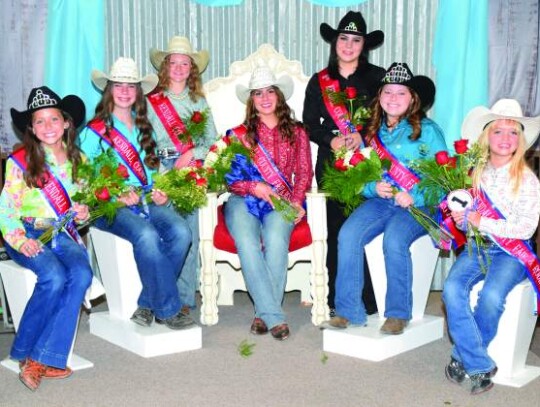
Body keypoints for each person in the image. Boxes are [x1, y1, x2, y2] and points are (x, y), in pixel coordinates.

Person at [326, 62, 447, 334]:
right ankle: (348, 310)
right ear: (379, 97)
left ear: (413, 98)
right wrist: (372, 188)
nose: (393, 98)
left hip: (420, 206)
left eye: (401, 93)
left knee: (394, 238)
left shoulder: (429, 130)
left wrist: (414, 195)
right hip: (382, 202)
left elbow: (443, 181)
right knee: (347, 234)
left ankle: (397, 314)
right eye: (388, 92)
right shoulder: (371, 132)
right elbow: (359, 177)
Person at [79, 57, 194, 330]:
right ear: (108, 89)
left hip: (143, 201)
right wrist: (116, 195)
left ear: (138, 92)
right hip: (107, 206)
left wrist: (160, 192)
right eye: (119, 84)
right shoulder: (94, 132)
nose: (125, 91)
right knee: (147, 234)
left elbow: (152, 174)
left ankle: (147, 303)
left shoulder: (144, 127)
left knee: (181, 231)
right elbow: (83, 181)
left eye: (131, 86)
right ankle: (167, 309)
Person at [442, 99, 540, 395]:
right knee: (451, 289)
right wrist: (462, 221)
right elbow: (467, 224)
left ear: (520, 141)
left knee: (493, 296)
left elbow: (525, 228)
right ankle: (479, 363)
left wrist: (481, 221)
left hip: (512, 251)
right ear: (486, 136)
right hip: (478, 246)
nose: (505, 139)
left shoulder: (527, 180)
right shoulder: (474, 174)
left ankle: (463, 357)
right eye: (498, 131)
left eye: (513, 133)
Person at [0, 87, 92, 391]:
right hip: (27, 231)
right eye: (40, 122)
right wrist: (18, 239)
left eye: (54, 119)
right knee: (52, 276)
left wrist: (83, 212)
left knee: (81, 273)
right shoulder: (19, 162)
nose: (48, 127)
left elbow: (85, 205)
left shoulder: (80, 160)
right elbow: (6, 210)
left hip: (61, 232)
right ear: (31, 128)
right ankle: (27, 353)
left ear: (66, 122)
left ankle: (44, 357)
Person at [303, 11, 385, 316]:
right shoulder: (319, 81)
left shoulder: (379, 78)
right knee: (336, 230)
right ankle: (339, 299)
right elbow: (309, 124)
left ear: (364, 45)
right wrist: (332, 140)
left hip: (368, 163)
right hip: (332, 164)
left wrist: (362, 136)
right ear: (335, 42)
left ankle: (372, 298)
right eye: (344, 39)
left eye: (355, 40)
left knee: (367, 228)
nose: (349, 45)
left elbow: (389, 116)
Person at [223, 65, 313, 340]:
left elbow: (304, 172)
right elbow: (229, 178)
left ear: (279, 96)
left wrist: (297, 201)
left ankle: (264, 314)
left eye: (269, 91)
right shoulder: (237, 134)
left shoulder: (297, 132)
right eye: (257, 93)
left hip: (282, 200)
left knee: (275, 239)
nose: (264, 97)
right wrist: (255, 186)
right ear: (251, 100)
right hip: (242, 199)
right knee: (247, 242)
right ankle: (274, 316)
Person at [148, 36, 218, 314]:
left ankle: (185, 299)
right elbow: (143, 141)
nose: (178, 67)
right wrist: (158, 172)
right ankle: (159, 294)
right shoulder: (151, 101)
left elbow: (213, 141)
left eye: (184, 63)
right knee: (163, 235)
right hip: (160, 171)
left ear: (192, 69)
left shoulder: (199, 102)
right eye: (173, 62)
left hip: (190, 171)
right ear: (165, 67)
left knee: (189, 234)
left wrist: (192, 155)